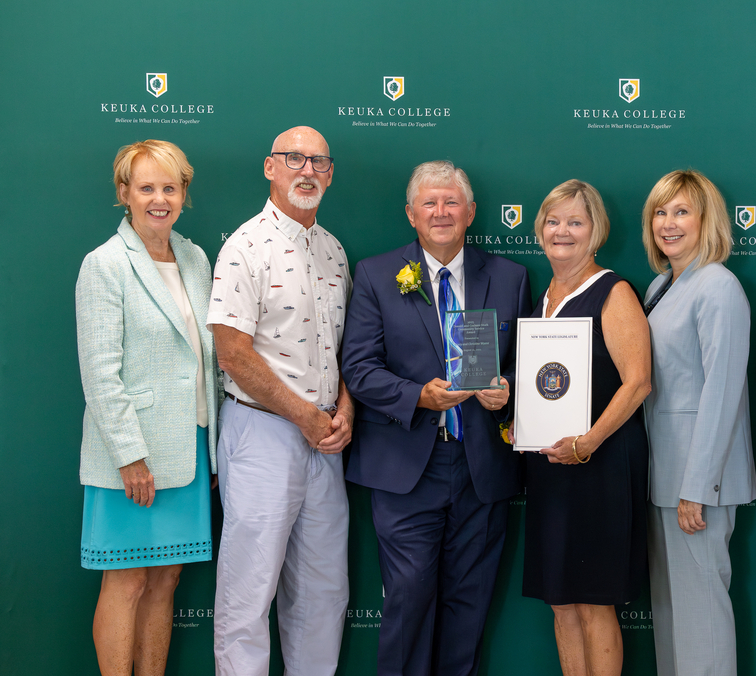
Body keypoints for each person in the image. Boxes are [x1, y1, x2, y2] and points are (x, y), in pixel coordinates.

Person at [341, 160, 531, 676]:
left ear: (471, 212)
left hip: (481, 469)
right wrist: (416, 396)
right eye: (430, 203)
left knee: (469, 606)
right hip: (406, 468)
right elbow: (357, 368)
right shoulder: (377, 275)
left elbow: (530, 364)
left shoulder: (511, 277)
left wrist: (509, 390)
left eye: (451, 202)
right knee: (407, 599)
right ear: (411, 214)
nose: (441, 212)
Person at [208, 126, 352, 676]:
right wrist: (307, 417)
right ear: (271, 167)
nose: (307, 170)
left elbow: (344, 352)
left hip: (326, 442)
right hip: (262, 434)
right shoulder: (244, 246)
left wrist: (345, 412)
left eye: (319, 161)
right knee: (248, 592)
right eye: (295, 159)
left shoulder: (335, 250)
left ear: (330, 172)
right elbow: (233, 354)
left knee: (323, 592)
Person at [76, 139, 217, 676]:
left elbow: (206, 360)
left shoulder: (195, 258)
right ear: (124, 194)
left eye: (170, 187)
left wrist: (214, 450)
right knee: (127, 580)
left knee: (167, 580)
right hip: (132, 458)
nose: (160, 199)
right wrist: (130, 456)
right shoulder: (104, 265)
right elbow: (100, 375)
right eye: (147, 188)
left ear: (183, 193)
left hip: (189, 450)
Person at [517, 179, 651, 676]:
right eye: (553, 221)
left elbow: (638, 383)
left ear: (596, 232)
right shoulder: (545, 296)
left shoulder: (612, 290)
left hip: (600, 464)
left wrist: (587, 442)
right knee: (560, 600)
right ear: (539, 230)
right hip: (553, 467)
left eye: (575, 222)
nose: (562, 231)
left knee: (594, 601)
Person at [640, 170, 756, 676]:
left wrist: (698, 487)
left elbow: (722, 393)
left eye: (682, 211)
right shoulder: (662, 283)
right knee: (671, 616)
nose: (668, 223)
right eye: (661, 212)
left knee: (702, 617)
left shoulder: (718, 286)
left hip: (697, 485)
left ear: (706, 219)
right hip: (664, 479)